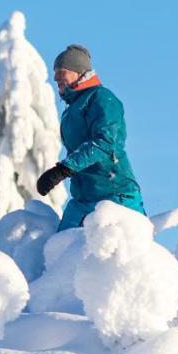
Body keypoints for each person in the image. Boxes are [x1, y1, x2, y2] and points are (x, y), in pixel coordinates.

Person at [36, 43, 145, 231]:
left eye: (61, 71)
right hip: (83, 198)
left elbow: (105, 142)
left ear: (78, 72)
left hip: (116, 195)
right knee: (59, 252)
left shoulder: (101, 98)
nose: (55, 78)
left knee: (131, 255)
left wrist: (63, 169)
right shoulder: (73, 107)